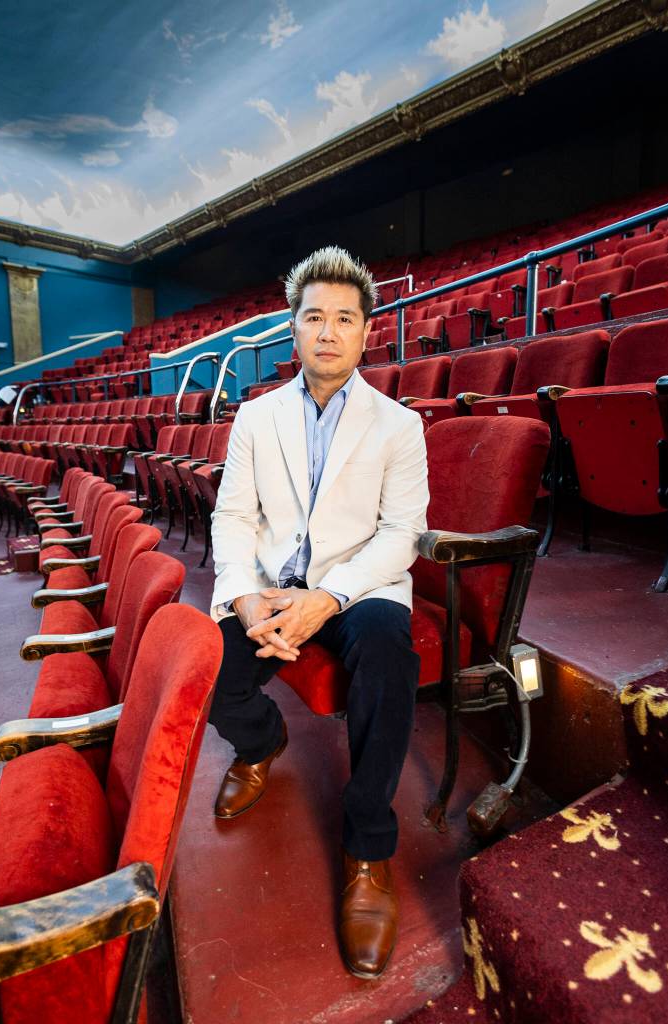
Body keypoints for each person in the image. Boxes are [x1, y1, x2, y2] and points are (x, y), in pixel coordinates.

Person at [209, 245, 429, 979]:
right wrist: (243, 596)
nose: (328, 332)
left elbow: (401, 535)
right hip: (272, 581)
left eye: (344, 318)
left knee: (387, 656)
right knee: (211, 666)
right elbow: (234, 518)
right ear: (293, 329)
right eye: (314, 318)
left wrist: (329, 597)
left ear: (367, 331)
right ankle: (260, 743)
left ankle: (368, 849)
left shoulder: (399, 426)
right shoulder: (255, 416)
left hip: (356, 589)